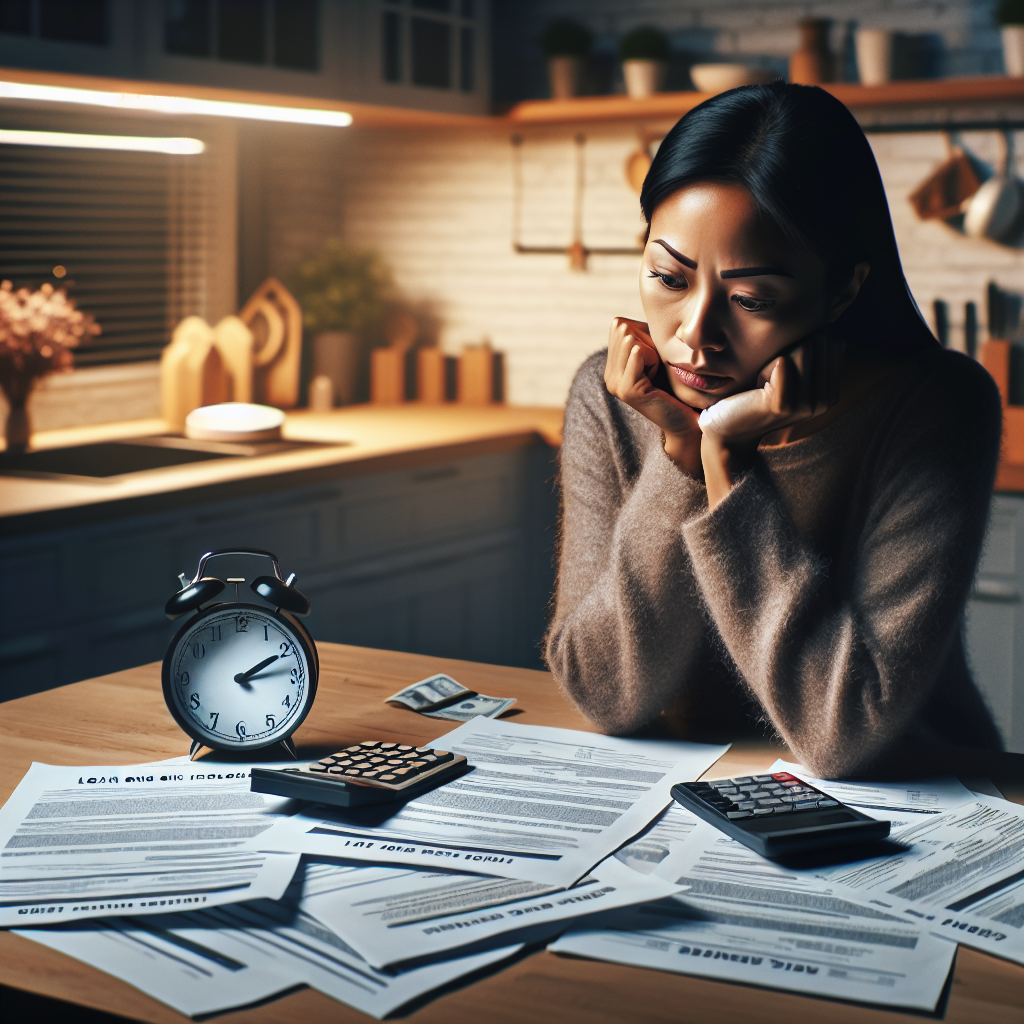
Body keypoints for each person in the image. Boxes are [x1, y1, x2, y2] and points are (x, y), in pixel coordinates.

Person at [544, 81, 1003, 778]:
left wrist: (724, 463)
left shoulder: (935, 406)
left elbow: (842, 733)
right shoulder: (611, 397)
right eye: (668, 277)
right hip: (682, 788)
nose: (695, 335)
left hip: (919, 797)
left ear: (843, 290)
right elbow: (605, 695)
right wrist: (679, 459)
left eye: (752, 299)